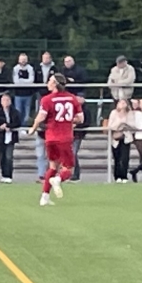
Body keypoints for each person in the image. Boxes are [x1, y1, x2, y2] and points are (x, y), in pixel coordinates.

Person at [32, 74, 85, 205]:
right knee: (69, 169)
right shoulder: (72, 98)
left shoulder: (46, 99)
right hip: (65, 138)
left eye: (50, 80)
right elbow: (80, 119)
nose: (47, 83)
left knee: (52, 166)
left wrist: (33, 128)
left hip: (50, 138)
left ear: (55, 84)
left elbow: (41, 117)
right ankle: (58, 180)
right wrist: (69, 121)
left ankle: (44, 197)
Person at [0, 92, 20, 182]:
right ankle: (3, 175)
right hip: (0, 137)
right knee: (2, 157)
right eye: (4, 100)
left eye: (7, 100)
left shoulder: (15, 112)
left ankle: (9, 176)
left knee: (9, 157)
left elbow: (18, 123)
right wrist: (0, 127)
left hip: (11, 137)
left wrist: (8, 126)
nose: (6, 102)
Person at [106, 99, 133, 182]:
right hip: (116, 138)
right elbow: (110, 126)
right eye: (120, 102)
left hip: (126, 137)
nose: (122, 104)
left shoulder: (130, 113)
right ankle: (117, 176)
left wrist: (126, 125)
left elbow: (133, 124)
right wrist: (119, 124)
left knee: (125, 157)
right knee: (117, 158)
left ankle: (124, 176)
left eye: (124, 102)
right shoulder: (113, 113)